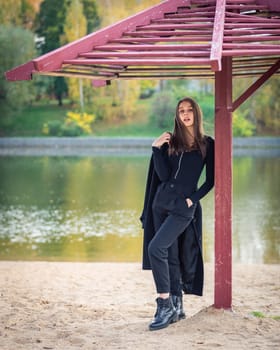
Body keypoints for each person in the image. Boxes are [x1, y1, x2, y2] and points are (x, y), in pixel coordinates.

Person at [140, 97, 214, 331]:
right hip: (160, 204)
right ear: (177, 115)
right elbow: (162, 176)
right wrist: (156, 149)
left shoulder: (207, 144)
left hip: (183, 207)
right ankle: (176, 305)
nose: (185, 114)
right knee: (168, 256)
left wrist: (192, 199)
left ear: (196, 113)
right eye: (181, 110)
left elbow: (211, 181)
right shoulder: (171, 141)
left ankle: (164, 304)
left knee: (156, 248)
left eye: (189, 110)